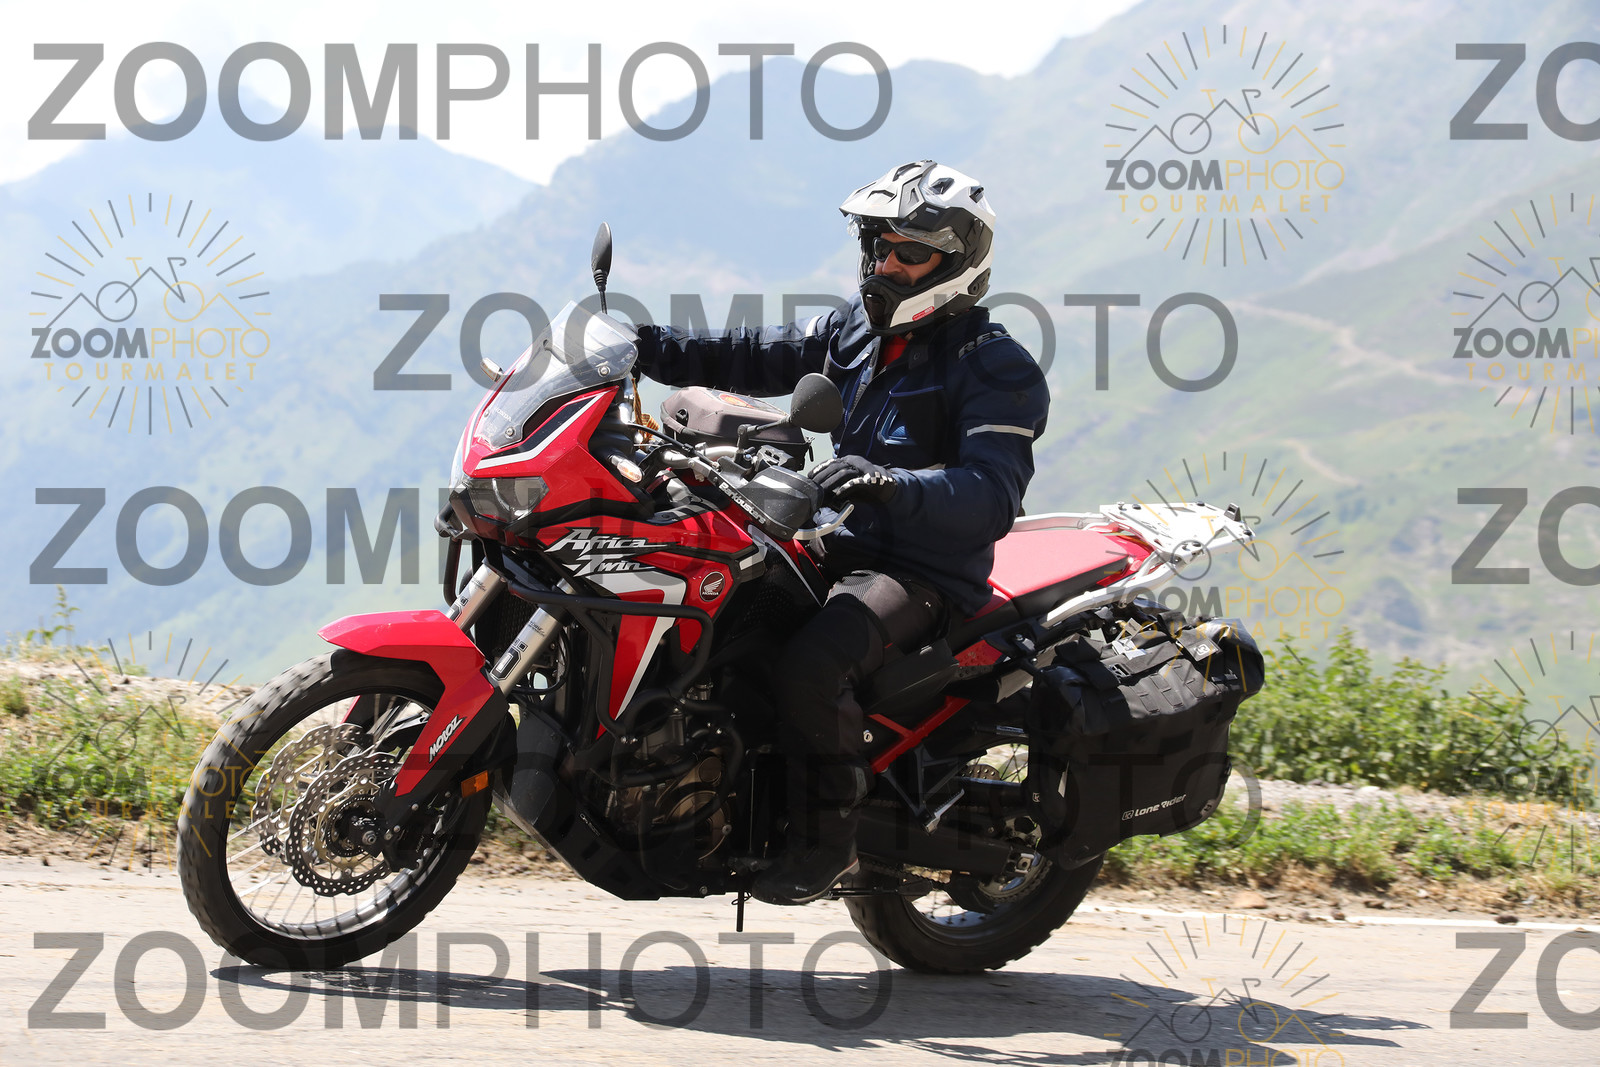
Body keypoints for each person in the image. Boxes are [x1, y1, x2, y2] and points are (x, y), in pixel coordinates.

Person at [632, 159, 1050, 904]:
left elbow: (992, 496)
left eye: (909, 253)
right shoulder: (855, 329)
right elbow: (752, 352)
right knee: (718, 612)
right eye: (879, 246)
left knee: (813, 662)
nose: (886, 265)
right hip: (835, 542)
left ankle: (825, 842)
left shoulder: (995, 367)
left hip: (922, 573)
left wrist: (892, 483)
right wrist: (646, 346)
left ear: (957, 263)